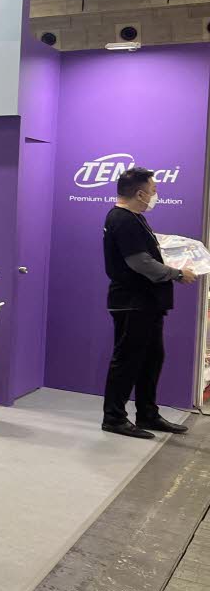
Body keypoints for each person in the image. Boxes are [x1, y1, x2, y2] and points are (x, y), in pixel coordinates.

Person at [101, 167, 195, 439]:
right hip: (133, 302)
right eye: (153, 190)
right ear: (140, 194)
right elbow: (140, 262)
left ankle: (147, 413)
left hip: (147, 302)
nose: (156, 195)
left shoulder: (134, 218)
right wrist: (177, 274)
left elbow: (144, 253)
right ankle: (114, 418)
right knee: (127, 360)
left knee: (152, 358)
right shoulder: (122, 219)